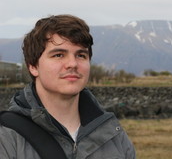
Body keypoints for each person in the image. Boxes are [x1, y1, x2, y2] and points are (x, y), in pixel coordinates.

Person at [0, 14, 136, 159]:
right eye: (58, 55)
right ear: (33, 66)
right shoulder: (7, 138)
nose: (73, 64)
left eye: (81, 55)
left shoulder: (113, 135)